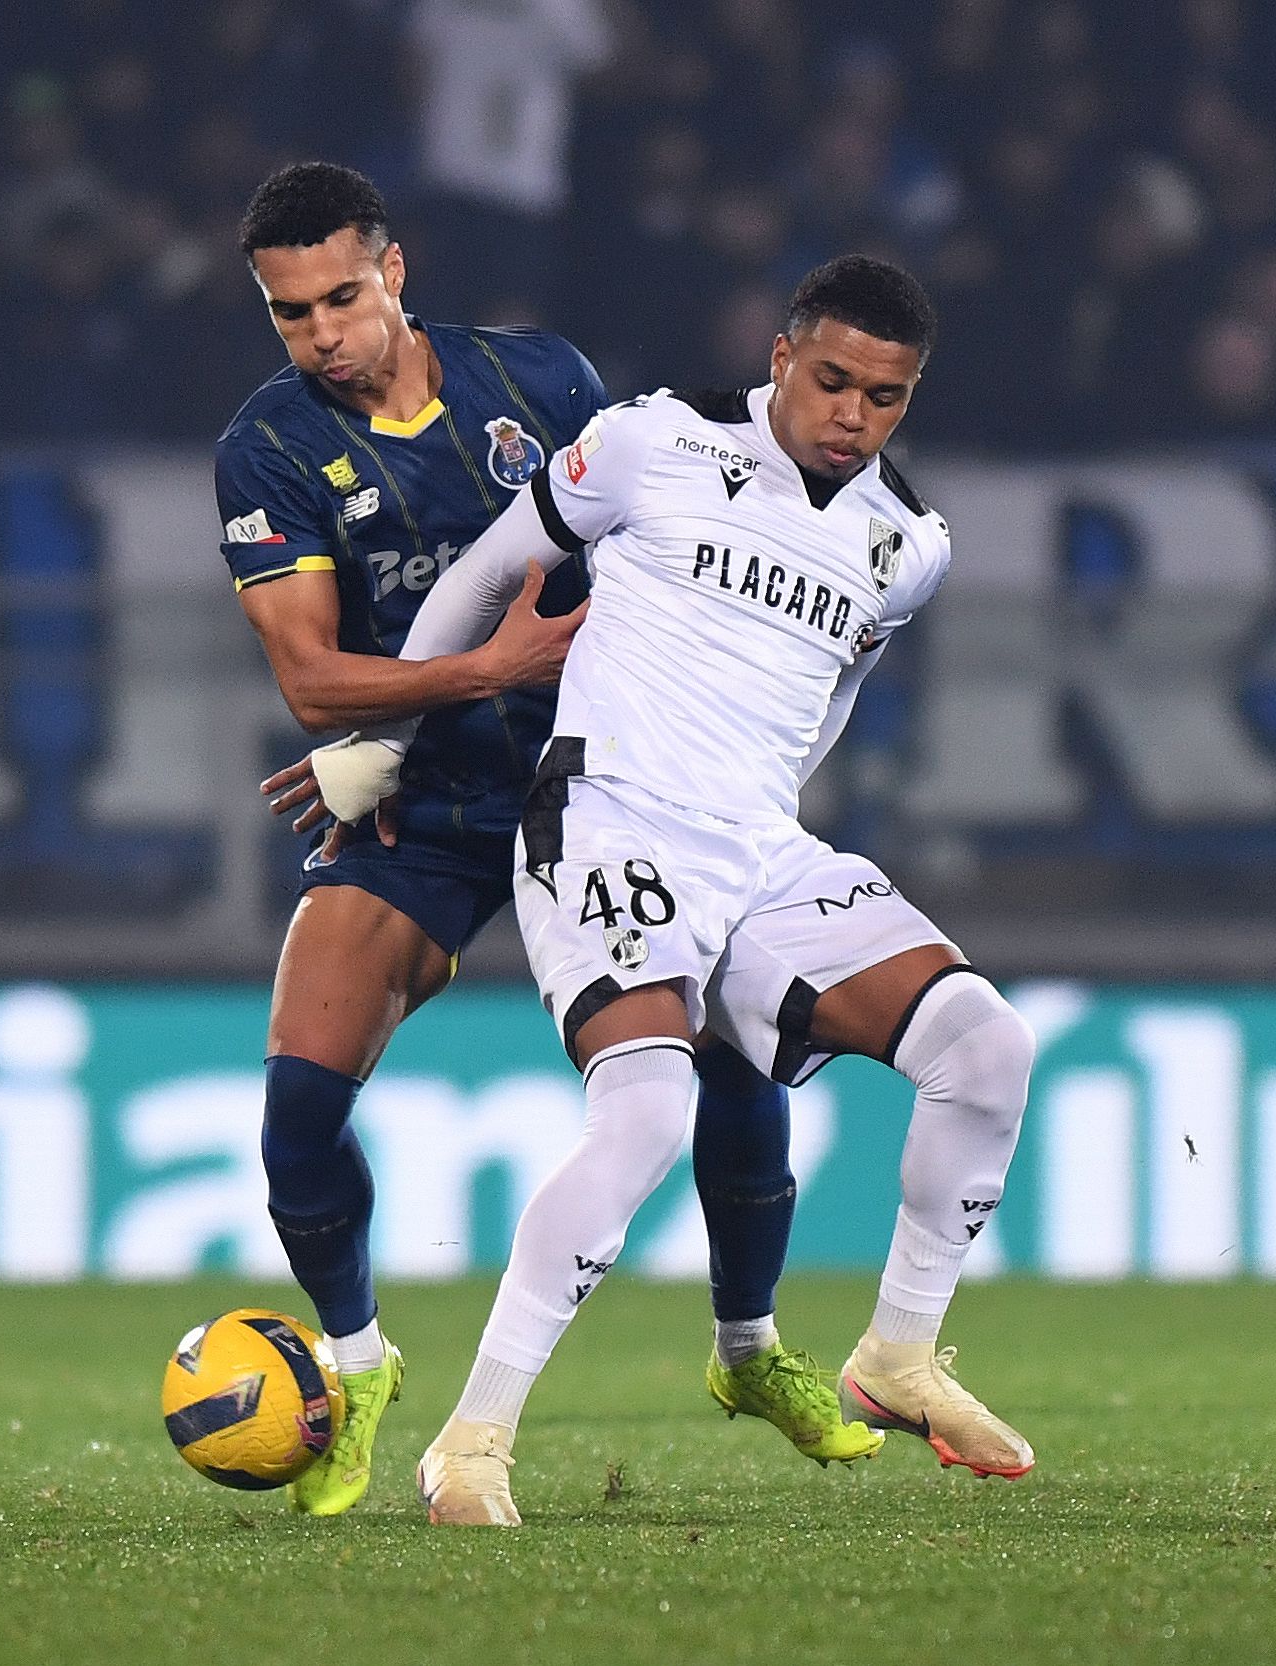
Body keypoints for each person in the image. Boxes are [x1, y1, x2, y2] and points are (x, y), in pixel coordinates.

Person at [306, 254, 1037, 1526]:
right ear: (779, 359)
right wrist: (386, 742)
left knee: (986, 1049)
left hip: (756, 848)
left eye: (885, 395)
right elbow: (485, 571)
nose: (853, 413)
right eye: (831, 380)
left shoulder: (904, 545)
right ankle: (469, 1444)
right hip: (608, 823)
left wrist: (774, 797)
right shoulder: (652, 442)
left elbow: (840, 682)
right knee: (644, 1115)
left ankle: (898, 1354)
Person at [213, 163, 879, 1517]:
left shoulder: (541, 380)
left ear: (394, 273)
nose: (321, 333)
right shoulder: (266, 445)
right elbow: (311, 681)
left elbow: (678, 525)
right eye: (290, 314)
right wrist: (430, 707)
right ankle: (355, 1364)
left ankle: (747, 1349)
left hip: (609, 783)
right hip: (427, 805)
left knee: (726, 1045)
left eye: (340, 296)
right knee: (297, 1102)